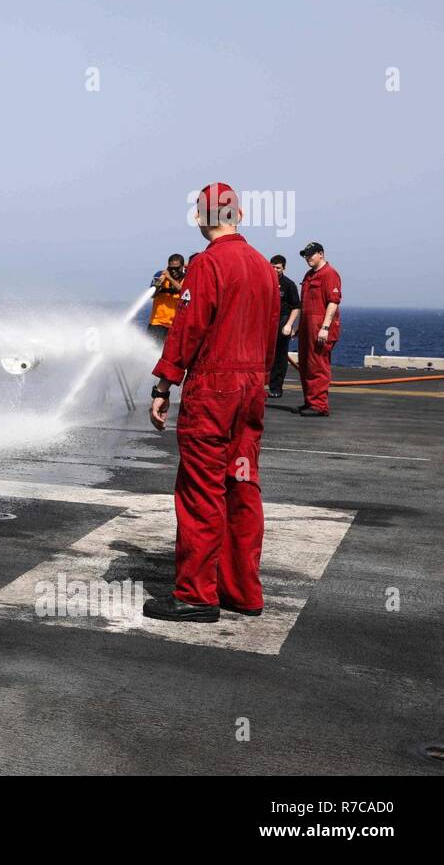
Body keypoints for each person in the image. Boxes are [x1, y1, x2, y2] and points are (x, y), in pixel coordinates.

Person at [145, 183, 278, 623]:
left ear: (201, 218)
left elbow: (187, 329)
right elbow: (270, 335)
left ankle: (197, 595)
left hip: (214, 389)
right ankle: (242, 590)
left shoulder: (206, 265)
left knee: (201, 489)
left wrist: (164, 385)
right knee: (242, 484)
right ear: (238, 214)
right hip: (252, 388)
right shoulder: (263, 267)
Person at [297, 241, 342, 417]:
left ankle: (319, 406)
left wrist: (325, 327)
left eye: (311, 254)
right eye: (306, 255)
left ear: (321, 254)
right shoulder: (309, 275)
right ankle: (310, 401)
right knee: (306, 365)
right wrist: (299, 327)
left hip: (320, 328)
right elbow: (305, 305)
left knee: (318, 365)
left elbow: (333, 302)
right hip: (307, 327)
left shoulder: (329, 274)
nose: (308, 258)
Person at [267, 255, 301, 398]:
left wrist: (289, 325)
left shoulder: (288, 284)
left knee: (279, 357)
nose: (275, 270)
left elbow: (296, 306)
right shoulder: (264, 281)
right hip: (266, 322)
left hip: (282, 322)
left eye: (278, 268)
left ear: (284, 268)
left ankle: (276, 388)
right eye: (272, 267)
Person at [147, 254, 186, 344]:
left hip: (175, 326)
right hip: (157, 323)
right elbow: (152, 295)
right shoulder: (160, 275)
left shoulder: (187, 278)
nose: (173, 271)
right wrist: (158, 286)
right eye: (171, 268)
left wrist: (169, 277)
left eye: (176, 268)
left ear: (182, 267)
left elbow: (182, 290)